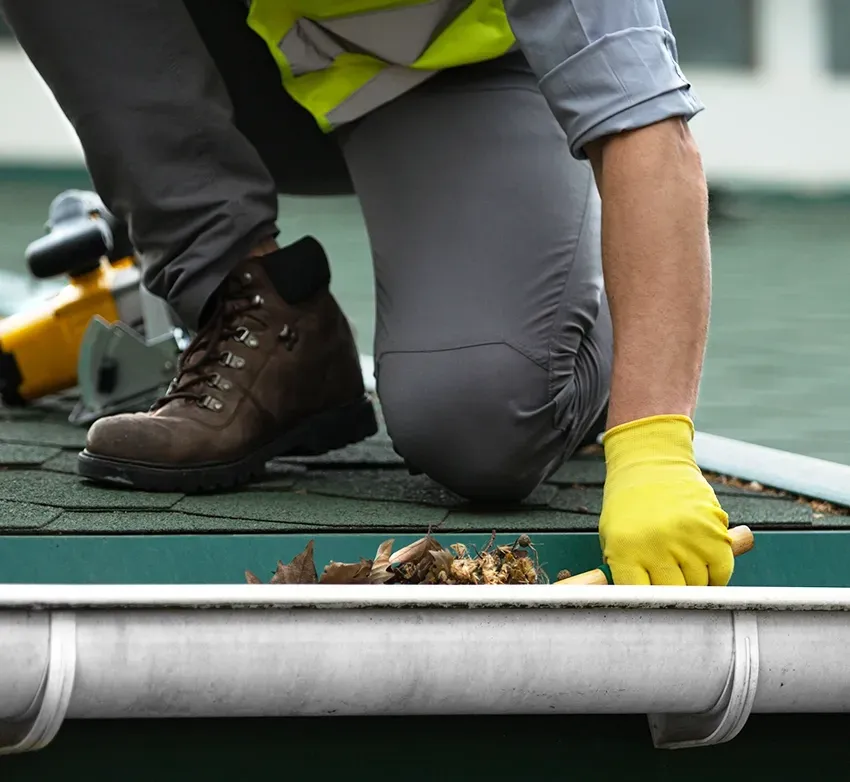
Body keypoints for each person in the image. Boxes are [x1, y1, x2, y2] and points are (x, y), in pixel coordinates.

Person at [1, 0, 735, 587]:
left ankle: (576, 320)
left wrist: (652, 444)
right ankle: (237, 293)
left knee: (481, 425)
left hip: (457, 76)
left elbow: (648, 127)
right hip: (248, 59)